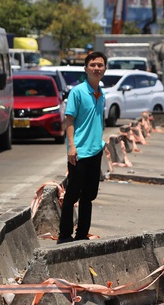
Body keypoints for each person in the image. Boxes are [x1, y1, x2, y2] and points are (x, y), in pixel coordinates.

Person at [57, 51, 107, 243]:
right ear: (86, 68)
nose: (96, 68)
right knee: (72, 195)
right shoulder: (77, 92)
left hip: (96, 151)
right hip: (79, 152)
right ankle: (65, 235)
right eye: (93, 65)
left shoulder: (100, 93)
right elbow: (69, 120)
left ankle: (82, 234)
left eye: (100, 65)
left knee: (89, 196)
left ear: (104, 69)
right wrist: (71, 146)